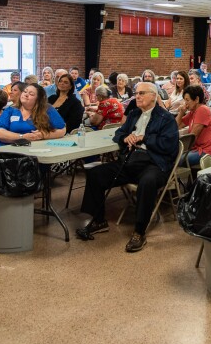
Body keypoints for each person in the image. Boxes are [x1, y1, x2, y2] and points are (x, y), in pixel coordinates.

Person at [76, 82, 179, 252]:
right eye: (136, 93)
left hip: (154, 163)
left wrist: (143, 138)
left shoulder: (166, 118)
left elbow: (168, 146)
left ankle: (139, 231)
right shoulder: (133, 114)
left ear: (153, 96)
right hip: (131, 160)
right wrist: (126, 138)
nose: (137, 96)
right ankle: (99, 220)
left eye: (142, 93)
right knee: (96, 174)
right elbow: (119, 133)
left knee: (147, 182)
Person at [0, 83, 66, 146]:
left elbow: (62, 130)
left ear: (38, 99)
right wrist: (23, 137)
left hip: (31, 150)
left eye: (31, 94)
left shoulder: (47, 109)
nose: (26, 95)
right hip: (4, 149)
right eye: (25, 92)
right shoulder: (11, 110)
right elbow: (0, 134)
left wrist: (44, 135)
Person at [176, 85, 211, 166]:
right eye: (184, 100)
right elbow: (176, 126)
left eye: (187, 100)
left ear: (196, 99)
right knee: (173, 157)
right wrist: (181, 112)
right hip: (198, 149)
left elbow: (193, 136)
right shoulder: (193, 112)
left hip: (208, 150)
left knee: (177, 160)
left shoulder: (202, 110)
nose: (185, 103)